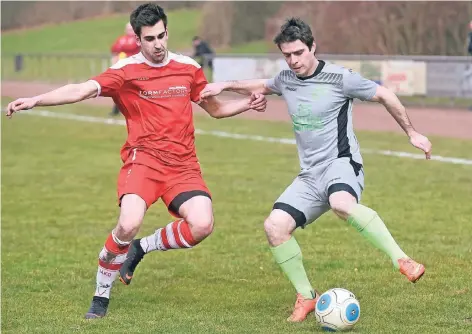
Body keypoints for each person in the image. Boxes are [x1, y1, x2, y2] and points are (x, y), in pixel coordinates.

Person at [6, 3, 267, 319]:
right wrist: (36, 100)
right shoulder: (125, 72)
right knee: (127, 223)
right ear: (138, 40)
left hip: (183, 165)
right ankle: (101, 294)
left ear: (167, 32)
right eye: (149, 39)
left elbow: (215, 109)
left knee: (202, 225)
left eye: (161, 36)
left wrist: (246, 105)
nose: (157, 44)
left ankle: (141, 248)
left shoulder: (188, 68)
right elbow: (82, 89)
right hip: (142, 162)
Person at [199, 18, 432, 323]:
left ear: (312, 47)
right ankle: (306, 296)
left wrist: (412, 133)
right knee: (274, 227)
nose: (293, 60)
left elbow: (385, 95)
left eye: (298, 53)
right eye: (287, 55)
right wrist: (224, 85)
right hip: (310, 176)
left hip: (342, 164)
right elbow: (262, 86)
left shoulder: (341, 78)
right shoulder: (286, 78)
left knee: (341, 204)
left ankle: (402, 259)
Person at [109, 22, 141, 116]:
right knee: (119, 88)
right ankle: (116, 109)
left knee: (133, 88)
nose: (129, 31)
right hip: (122, 67)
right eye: (128, 29)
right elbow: (114, 48)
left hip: (134, 67)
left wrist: (122, 48)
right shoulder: (122, 39)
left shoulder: (138, 38)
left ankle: (136, 108)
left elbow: (132, 47)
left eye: (131, 29)